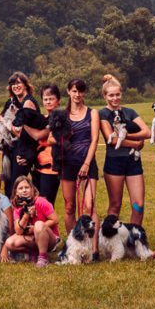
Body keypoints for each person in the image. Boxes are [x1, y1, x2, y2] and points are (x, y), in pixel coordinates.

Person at [98, 75, 151, 226]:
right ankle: (110, 241)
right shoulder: (102, 114)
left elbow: (147, 132)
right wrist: (135, 143)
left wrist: (127, 135)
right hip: (114, 163)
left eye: (117, 94)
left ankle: (133, 240)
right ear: (105, 96)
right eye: (111, 95)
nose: (115, 98)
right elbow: (113, 139)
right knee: (115, 206)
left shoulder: (130, 112)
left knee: (138, 205)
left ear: (121, 94)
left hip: (133, 162)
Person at [56, 79, 101, 251]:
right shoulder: (62, 114)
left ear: (84, 93)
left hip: (87, 162)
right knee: (69, 207)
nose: (77, 95)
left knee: (90, 205)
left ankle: (94, 248)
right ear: (68, 91)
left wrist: (87, 163)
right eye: (74, 91)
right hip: (67, 163)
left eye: (80, 91)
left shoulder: (92, 113)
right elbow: (56, 137)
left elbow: (95, 139)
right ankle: (73, 246)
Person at [4, 176, 59, 267]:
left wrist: (35, 228)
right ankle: (33, 252)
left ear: (32, 189)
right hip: (32, 238)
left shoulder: (41, 201)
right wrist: (26, 215)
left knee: (38, 225)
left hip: (49, 238)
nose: (24, 190)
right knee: (10, 243)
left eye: (27, 187)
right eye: (20, 188)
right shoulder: (18, 207)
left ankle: (43, 257)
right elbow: (18, 231)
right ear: (16, 192)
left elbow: (55, 220)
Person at [25, 84, 63, 204]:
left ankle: (48, 223)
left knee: (45, 204)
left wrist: (24, 122)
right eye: (45, 99)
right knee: (35, 202)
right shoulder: (42, 118)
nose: (48, 102)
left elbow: (37, 136)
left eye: (51, 99)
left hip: (51, 168)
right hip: (38, 167)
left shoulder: (59, 118)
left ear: (58, 100)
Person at [4, 71, 41, 188]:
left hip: (25, 151)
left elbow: (24, 134)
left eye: (19, 83)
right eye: (13, 84)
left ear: (25, 85)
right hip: (15, 147)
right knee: (10, 185)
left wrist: (7, 125)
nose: (16, 86)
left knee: (17, 185)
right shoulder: (15, 103)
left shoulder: (28, 103)